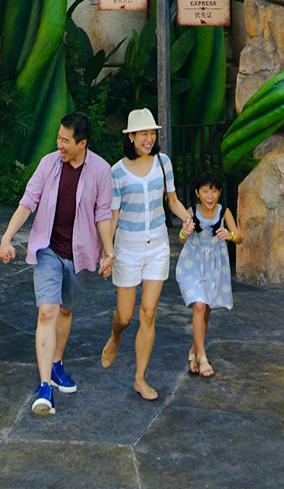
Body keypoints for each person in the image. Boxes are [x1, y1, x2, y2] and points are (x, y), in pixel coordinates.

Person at [0, 112, 115, 417]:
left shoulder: (101, 170)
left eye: (65, 140)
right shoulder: (48, 164)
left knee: (65, 310)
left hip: (79, 253)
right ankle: (45, 385)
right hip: (47, 248)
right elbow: (28, 201)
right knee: (47, 311)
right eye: (58, 138)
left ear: (82, 143)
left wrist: (109, 251)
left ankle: (57, 363)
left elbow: (103, 214)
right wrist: (7, 237)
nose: (59, 144)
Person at [100, 108, 191, 401]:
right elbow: (113, 216)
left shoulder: (163, 163)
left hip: (158, 248)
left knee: (149, 313)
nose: (149, 139)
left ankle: (140, 378)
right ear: (131, 137)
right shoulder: (116, 171)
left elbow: (172, 200)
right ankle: (116, 335)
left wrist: (186, 218)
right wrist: (108, 252)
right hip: (127, 248)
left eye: (152, 133)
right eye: (143, 134)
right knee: (126, 317)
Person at [175, 172, 240, 377]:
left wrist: (230, 235)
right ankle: (202, 357)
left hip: (215, 265)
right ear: (197, 193)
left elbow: (239, 237)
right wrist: (185, 232)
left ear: (219, 192)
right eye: (205, 191)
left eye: (213, 191)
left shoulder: (224, 212)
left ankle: (194, 350)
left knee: (206, 310)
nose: (209, 196)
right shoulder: (191, 211)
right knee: (199, 305)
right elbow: (181, 238)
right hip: (192, 263)